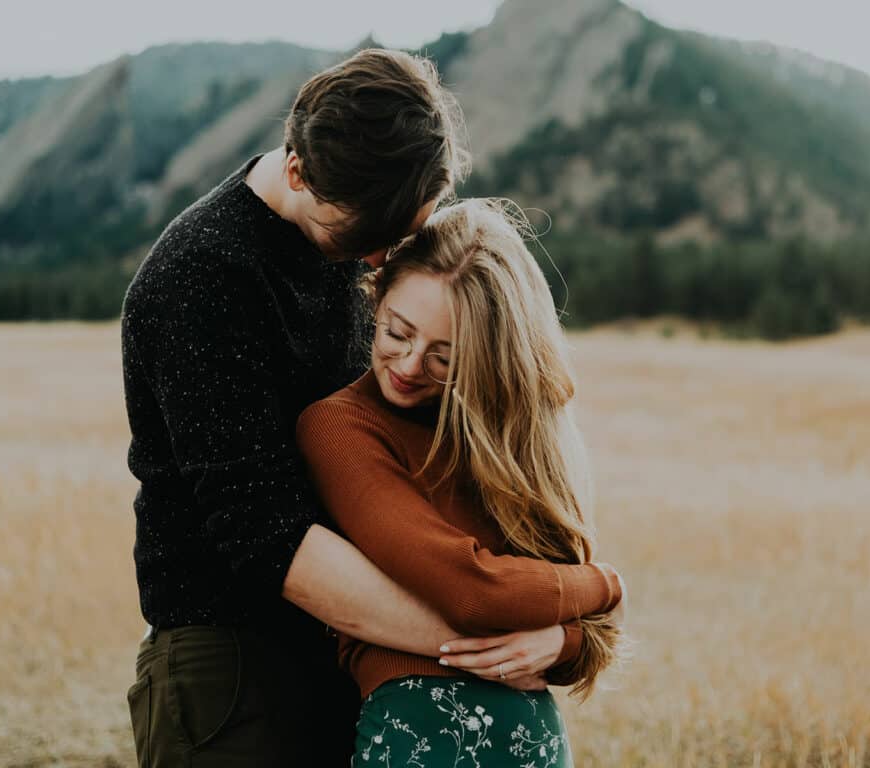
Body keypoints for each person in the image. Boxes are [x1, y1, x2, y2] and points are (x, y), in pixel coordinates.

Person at [120, 50, 586, 767]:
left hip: (362, 653)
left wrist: (556, 632)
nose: (376, 265)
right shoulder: (202, 276)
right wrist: (478, 640)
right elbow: (265, 537)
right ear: (298, 168)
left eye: (396, 240)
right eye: (364, 240)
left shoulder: (360, 228)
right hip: (235, 666)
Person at [296, 199, 628, 767]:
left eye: (444, 357)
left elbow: (578, 635)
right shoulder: (342, 427)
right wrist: (607, 586)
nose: (407, 364)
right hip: (422, 738)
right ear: (376, 295)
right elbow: (475, 594)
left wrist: (562, 641)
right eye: (396, 332)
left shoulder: (505, 441)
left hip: (536, 744)